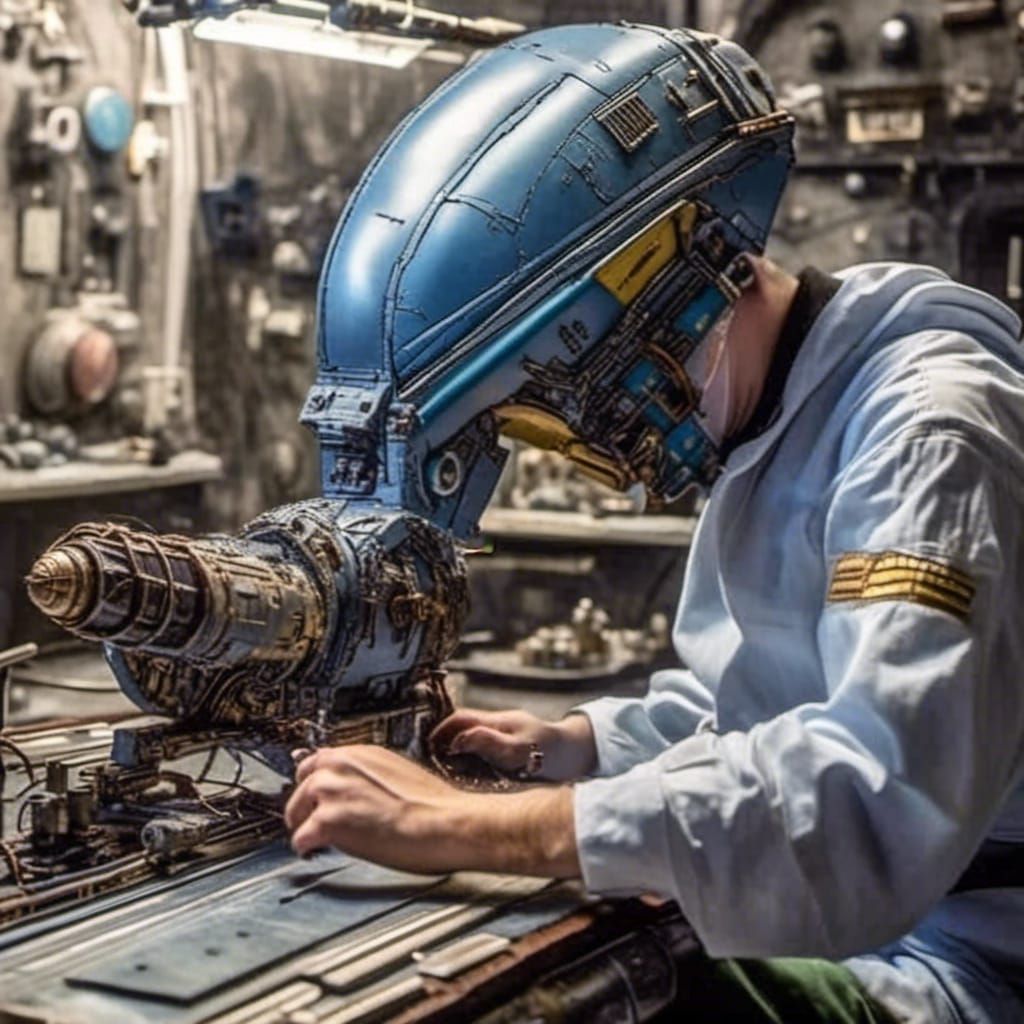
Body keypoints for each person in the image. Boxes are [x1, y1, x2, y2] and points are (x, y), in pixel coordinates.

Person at [284, 23, 1024, 1024]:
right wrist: (581, 745)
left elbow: (864, 800)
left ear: (679, 287)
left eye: (577, 402)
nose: (598, 448)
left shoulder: (930, 434)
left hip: (963, 960)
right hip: (881, 918)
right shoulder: (787, 415)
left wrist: (471, 826)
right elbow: (760, 712)